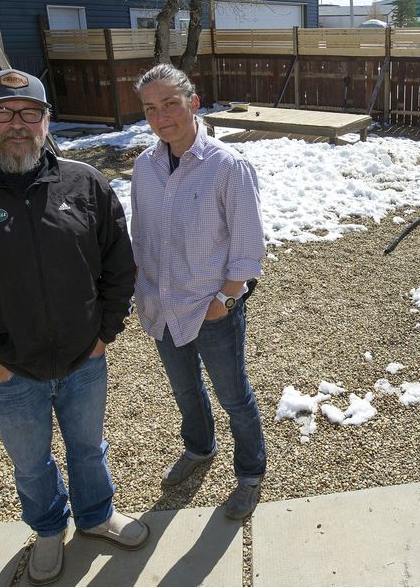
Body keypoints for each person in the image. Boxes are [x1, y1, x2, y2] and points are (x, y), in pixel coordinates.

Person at [0, 68, 147, 585]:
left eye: (30, 113)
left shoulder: (85, 184)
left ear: (46, 120)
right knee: (31, 463)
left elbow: (118, 266)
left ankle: (97, 515)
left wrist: (104, 334)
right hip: (9, 372)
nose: (18, 124)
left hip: (85, 360)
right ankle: (46, 529)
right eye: (3, 113)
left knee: (88, 447)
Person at [129, 63, 267, 521]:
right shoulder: (145, 167)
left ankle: (249, 474)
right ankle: (199, 448)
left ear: (194, 102)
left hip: (212, 308)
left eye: (170, 103)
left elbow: (249, 251)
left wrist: (222, 303)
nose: (161, 116)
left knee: (233, 396)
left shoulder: (227, 166)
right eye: (151, 108)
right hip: (161, 305)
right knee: (185, 391)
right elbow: (142, 234)